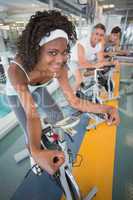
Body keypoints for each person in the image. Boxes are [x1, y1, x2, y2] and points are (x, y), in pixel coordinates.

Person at [6, 10, 120, 179]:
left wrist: (107, 108)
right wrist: (36, 152)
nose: (60, 60)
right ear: (37, 49)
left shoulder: (60, 67)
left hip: (38, 87)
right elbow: (32, 115)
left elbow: (74, 101)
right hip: (16, 91)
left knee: (57, 116)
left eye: (64, 52)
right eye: (52, 52)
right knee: (28, 130)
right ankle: (33, 157)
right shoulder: (17, 70)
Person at [69, 23, 112, 90]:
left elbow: (101, 60)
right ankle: (71, 96)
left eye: (101, 35)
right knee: (79, 80)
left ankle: (81, 88)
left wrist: (111, 63)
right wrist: (95, 65)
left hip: (84, 60)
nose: (98, 37)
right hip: (73, 60)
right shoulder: (83, 43)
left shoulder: (99, 45)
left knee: (97, 70)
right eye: (96, 34)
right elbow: (82, 63)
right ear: (92, 33)